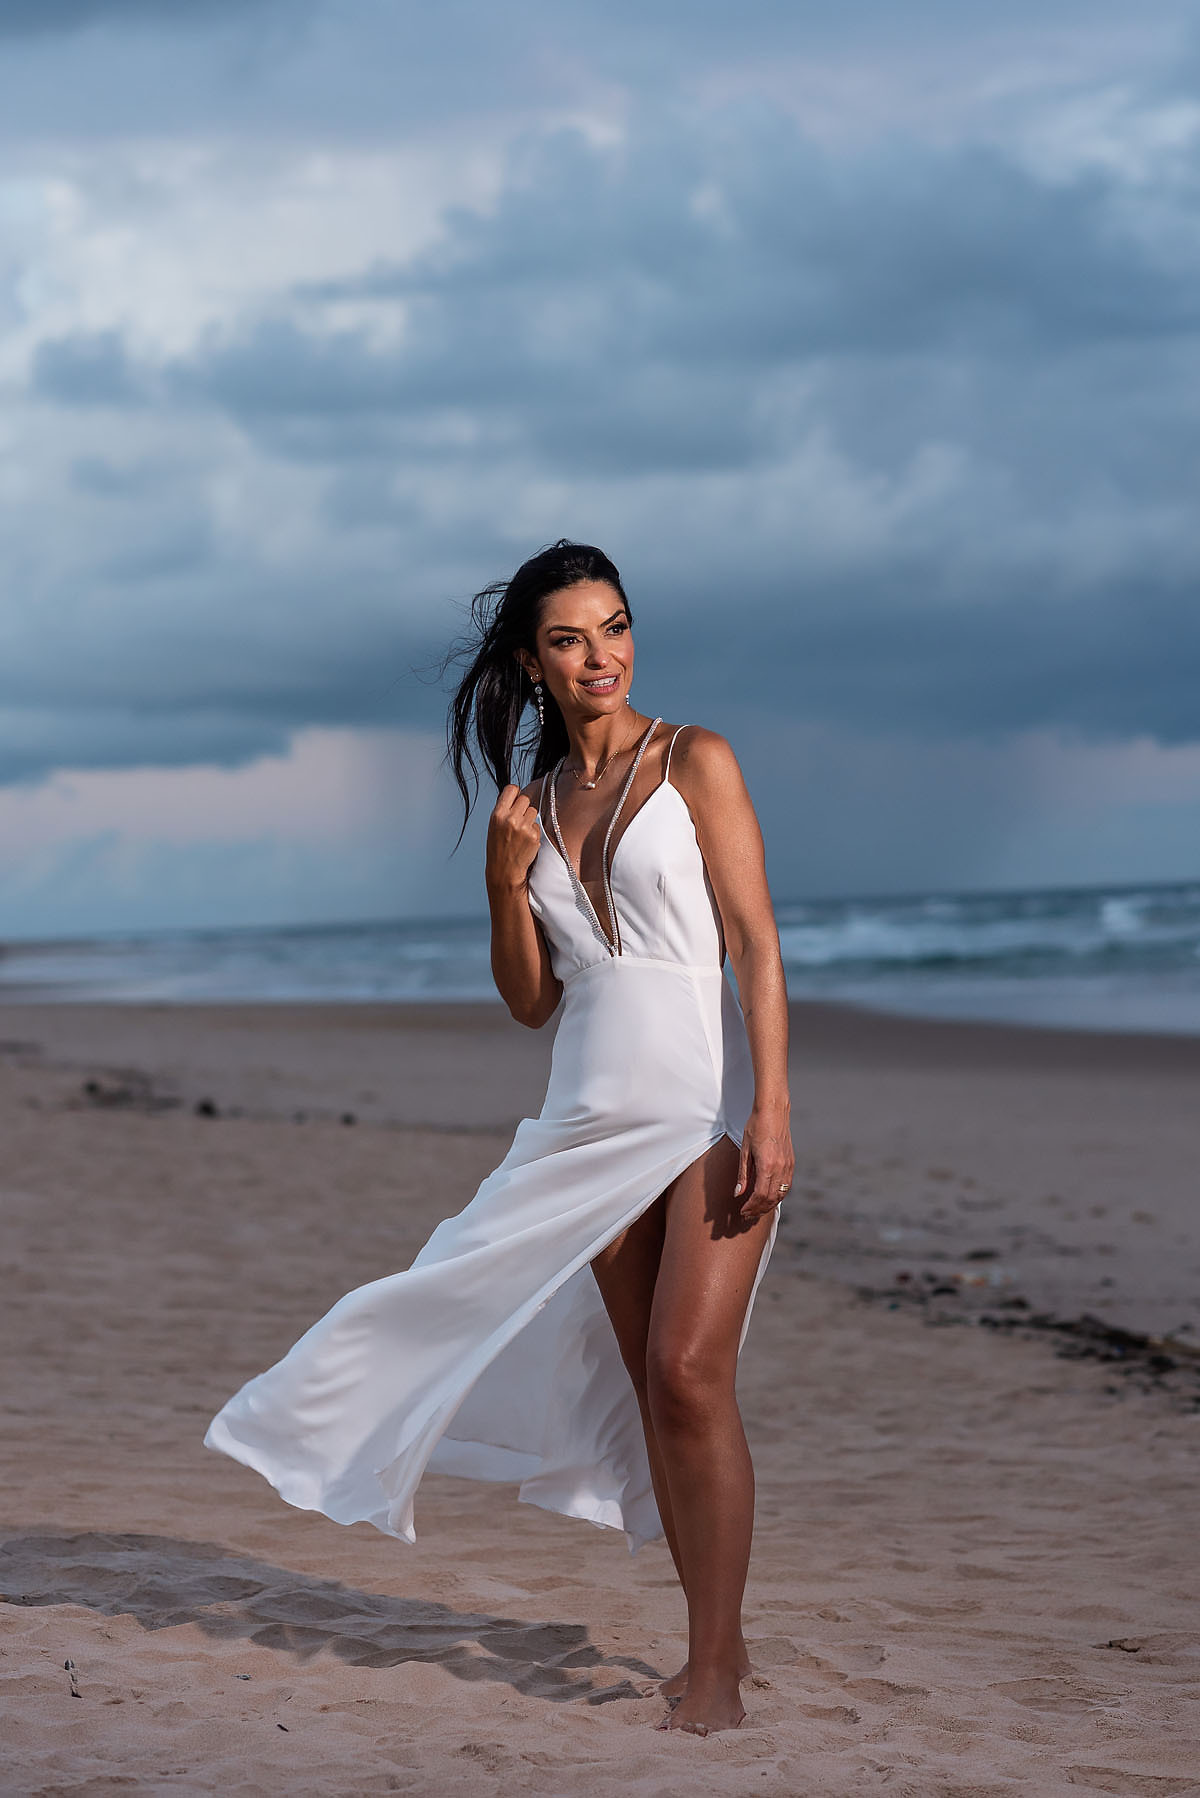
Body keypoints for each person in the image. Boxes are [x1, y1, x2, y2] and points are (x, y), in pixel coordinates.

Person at [204, 539, 794, 1737]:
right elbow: (534, 1001)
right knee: (651, 1391)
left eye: (615, 627)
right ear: (532, 663)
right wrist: (501, 881)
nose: (601, 656)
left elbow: (755, 942)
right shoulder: (534, 808)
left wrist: (773, 1105)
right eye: (570, 639)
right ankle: (711, 1643)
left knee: (690, 1370)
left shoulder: (697, 759)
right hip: (588, 1125)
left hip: (704, 1110)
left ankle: (718, 1671)